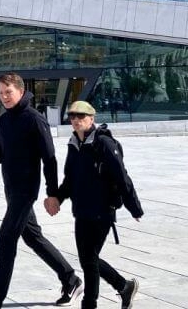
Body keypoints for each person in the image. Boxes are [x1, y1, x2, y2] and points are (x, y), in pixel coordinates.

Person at [0, 73, 81, 309]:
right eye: (1, 93)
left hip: (26, 192)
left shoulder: (34, 120)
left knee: (6, 239)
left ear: (21, 91)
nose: (4, 97)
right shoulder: (5, 120)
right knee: (33, 238)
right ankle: (71, 280)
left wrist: (52, 193)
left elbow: (50, 159)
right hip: (11, 190)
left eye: (8, 92)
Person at [46, 101, 142, 309]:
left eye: (81, 116)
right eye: (72, 116)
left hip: (102, 211)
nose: (76, 120)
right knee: (89, 260)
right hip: (81, 211)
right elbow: (70, 180)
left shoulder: (104, 144)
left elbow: (122, 177)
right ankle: (124, 286)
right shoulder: (74, 144)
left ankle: (90, 304)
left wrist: (134, 207)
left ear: (92, 118)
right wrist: (58, 199)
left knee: (89, 260)